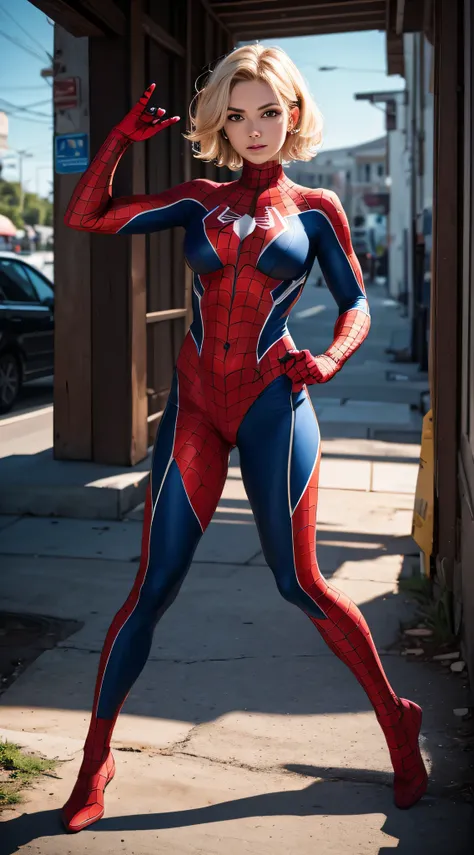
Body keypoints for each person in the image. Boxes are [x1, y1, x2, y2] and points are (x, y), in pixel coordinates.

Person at [62, 44, 427, 833]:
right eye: (236, 113)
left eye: (268, 110)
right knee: (150, 587)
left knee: (300, 582)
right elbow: (86, 216)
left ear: (292, 114)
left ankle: (399, 723)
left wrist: (328, 356)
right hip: (197, 406)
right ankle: (95, 763)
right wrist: (120, 141)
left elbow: (355, 303)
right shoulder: (199, 199)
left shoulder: (320, 208)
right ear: (219, 121)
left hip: (274, 401)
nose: (254, 127)